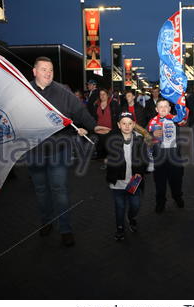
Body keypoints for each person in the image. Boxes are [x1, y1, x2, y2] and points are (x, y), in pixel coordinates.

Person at [28, 56, 104, 247]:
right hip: (34, 151)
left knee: (60, 190)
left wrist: (94, 127)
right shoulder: (25, 91)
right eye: (44, 69)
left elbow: (80, 112)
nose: (48, 73)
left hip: (58, 150)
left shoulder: (62, 91)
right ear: (35, 72)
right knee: (41, 190)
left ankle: (65, 228)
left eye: (51, 69)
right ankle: (46, 221)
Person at [106, 112, 148, 241]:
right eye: (123, 123)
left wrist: (140, 171)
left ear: (134, 125)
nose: (127, 126)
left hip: (134, 182)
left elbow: (144, 160)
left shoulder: (140, 140)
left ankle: (131, 218)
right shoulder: (111, 139)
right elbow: (99, 146)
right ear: (118, 125)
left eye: (130, 123)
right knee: (120, 207)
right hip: (117, 182)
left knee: (135, 205)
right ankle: (120, 228)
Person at [148, 99, 186, 213]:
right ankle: (160, 202)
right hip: (159, 157)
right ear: (156, 109)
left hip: (175, 156)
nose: (163, 109)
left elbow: (184, 119)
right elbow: (145, 137)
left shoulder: (176, 119)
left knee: (177, 180)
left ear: (170, 108)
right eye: (160, 106)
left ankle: (177, 196)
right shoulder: (153, 122)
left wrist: (181, 103)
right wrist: (152, 134)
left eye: (166, 106)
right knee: (160, 182)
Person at [92, 88, 119, 168]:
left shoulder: (113, 103)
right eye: (101, 94)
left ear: (108, 95)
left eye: (104, 94)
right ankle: (105, 162)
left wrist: (116, 129)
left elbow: (117, 116)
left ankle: (110, 163)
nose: (102, 96)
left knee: (110, 147)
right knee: (103, 148)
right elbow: (94, 117)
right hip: (99, 130)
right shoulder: (97, 104)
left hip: (110, 129)